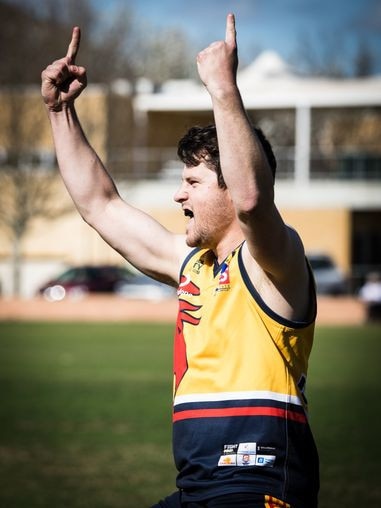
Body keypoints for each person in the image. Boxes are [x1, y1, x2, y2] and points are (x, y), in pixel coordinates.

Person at [41, 13, 319, 508]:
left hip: (255, 487)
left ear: (231, 190)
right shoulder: (192, 263)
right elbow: (99, 206)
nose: (177, 195)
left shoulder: (276, 265)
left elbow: (254, 200)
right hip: (195, 488)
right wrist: (61, 113)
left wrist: (222, 88)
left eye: (192, 182)